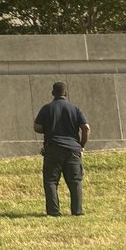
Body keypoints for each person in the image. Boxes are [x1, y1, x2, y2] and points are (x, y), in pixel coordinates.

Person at [33, 82, 89, 217]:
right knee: (75, 181)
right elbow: (86, 127)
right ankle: (77, 211)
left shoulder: (47, 109)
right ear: (66, 93)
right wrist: (81, 145)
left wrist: (49, 128)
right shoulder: (75, 109)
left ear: (53, 93)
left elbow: (37, 127)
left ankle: (54, 212)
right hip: (73, 150)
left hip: (53, 149)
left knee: (51, 181)